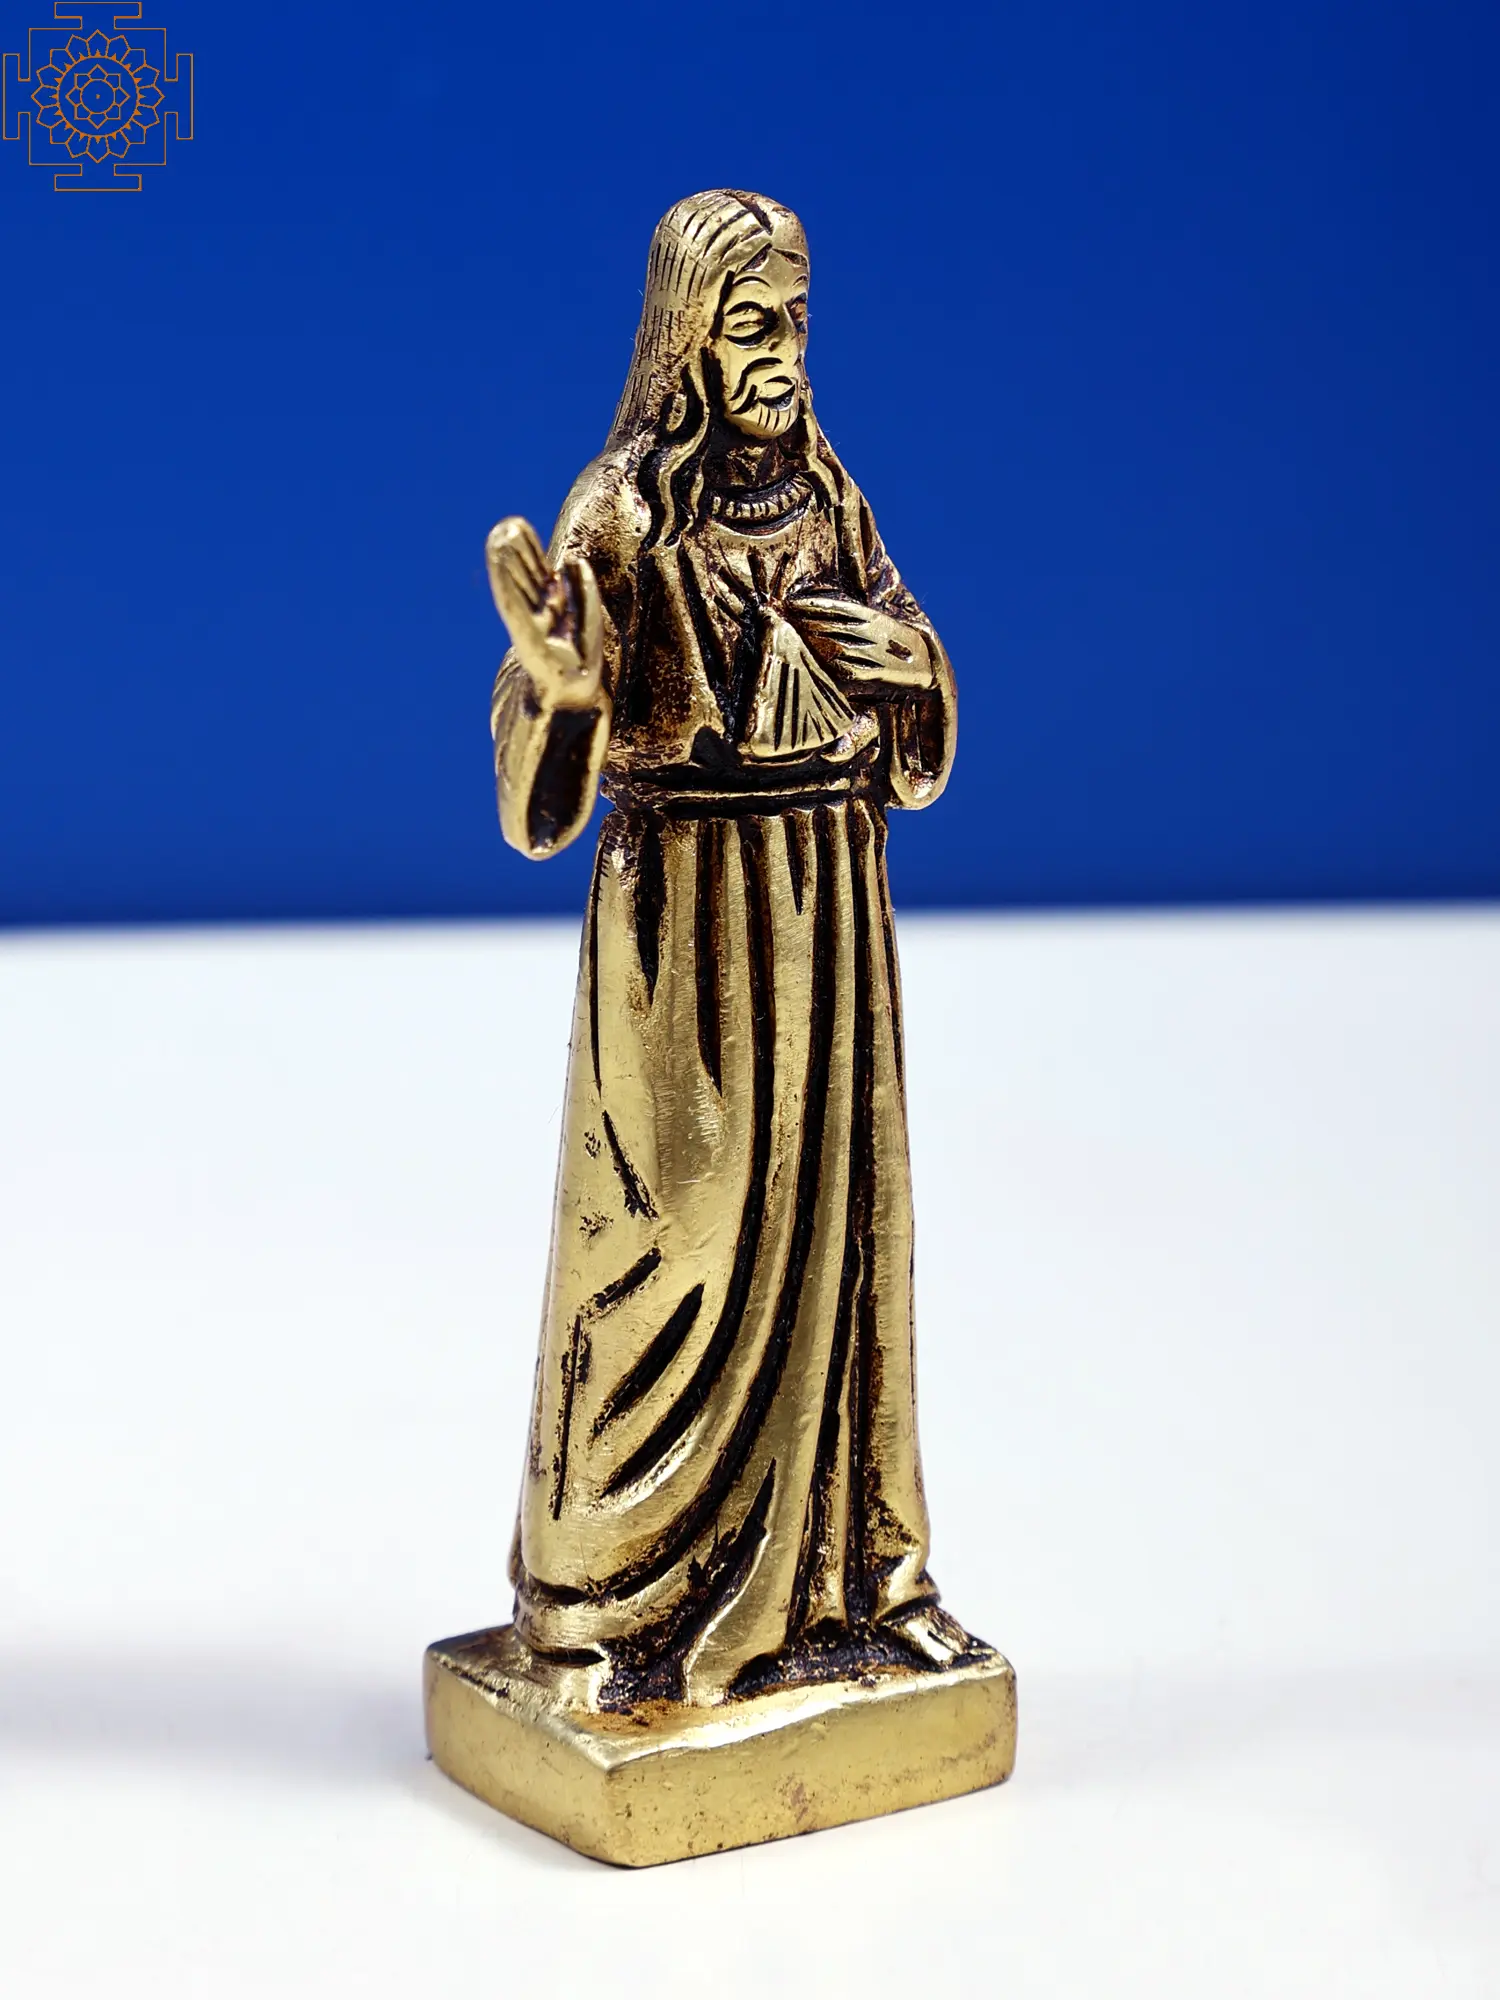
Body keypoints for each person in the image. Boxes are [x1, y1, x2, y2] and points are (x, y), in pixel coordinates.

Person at [486, 188, 978, 1708]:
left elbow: (916, 741)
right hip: (687, 907)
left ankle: (860, 1585)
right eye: (750, 325)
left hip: (830, 886)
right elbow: (539, 811)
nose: (780, 357)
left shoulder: (829, 492)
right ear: (688, 335)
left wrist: (916, 672)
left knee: (848, 1235)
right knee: (672, 1241)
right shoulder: (623, 513)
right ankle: (595, 1605)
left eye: (797, 324)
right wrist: (564, 694)